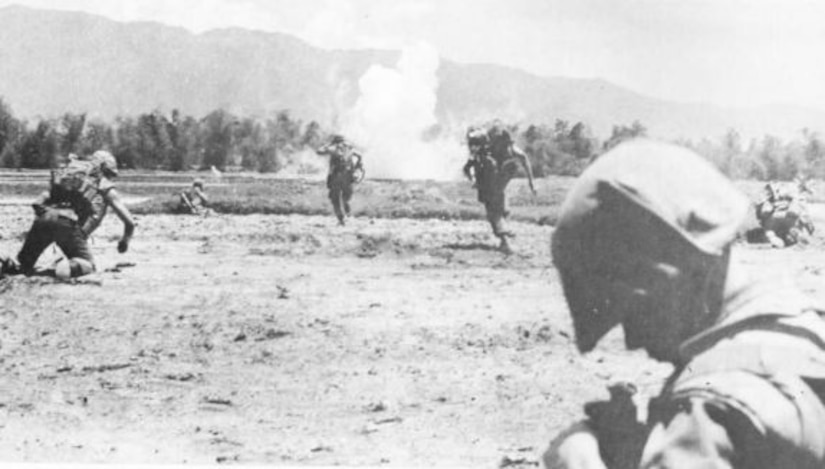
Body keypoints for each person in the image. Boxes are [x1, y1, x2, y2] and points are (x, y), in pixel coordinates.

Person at [545, 139, 825, 469]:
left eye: (633, 313)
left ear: (674, 277)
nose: (634, 340)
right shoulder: (803, 330)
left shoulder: (714, 413)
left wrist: (578, 463)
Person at [0, 150, 136, 279]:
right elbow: (129, 223)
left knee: (23, 266)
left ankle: (5, 262)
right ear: (108, 170)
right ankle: (63, 267)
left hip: (44, 218)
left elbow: (37, 202)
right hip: (68, 224)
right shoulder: (105, 187)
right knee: (87, 265)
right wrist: (124, 241)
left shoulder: (70, 179)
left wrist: (48, 219)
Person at [463, 123, 536, 253]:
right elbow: (468, 167)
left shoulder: (511, 149)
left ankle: (503, 231)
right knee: (494, 211)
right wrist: (473, 179)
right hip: (486, 183)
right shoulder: (484, 151)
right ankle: (504, 240)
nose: (501, 147)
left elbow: (524, 159)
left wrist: (532, 183)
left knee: (502, 209)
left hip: (498, 182)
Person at [316, 135, 364, 225]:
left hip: (336, 177)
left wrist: (328, 144)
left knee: (335, 199)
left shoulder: (334, 148)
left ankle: (341, 219)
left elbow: (319, 151)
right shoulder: (350, 148)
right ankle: (347, 211)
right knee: (346, 197)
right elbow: (360, 156)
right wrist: (358, 166)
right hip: (348, 177)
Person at [755, 180, 814, 247]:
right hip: (789, 219)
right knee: (794, 228)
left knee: (771, 232)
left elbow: (760, 215)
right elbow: (804, 216)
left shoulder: (770, 198)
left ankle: (776, 241)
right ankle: (796, 237)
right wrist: (810, 228)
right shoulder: (795, 197)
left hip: (773, 218)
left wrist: (763, 224)